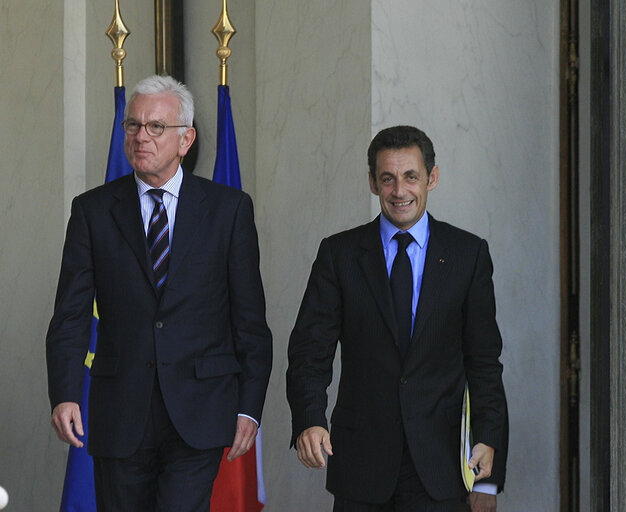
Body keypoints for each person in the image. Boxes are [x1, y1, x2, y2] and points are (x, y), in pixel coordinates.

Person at [46, 75, 272, 512]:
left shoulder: (229, 210)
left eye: (155, 127)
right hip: (119, 411)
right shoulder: (92, 210)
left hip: (201, 410)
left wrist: (250, 407)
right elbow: (71, 315)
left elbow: (249, 321)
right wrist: (65, 392)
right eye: (132, 125)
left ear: (186, 139)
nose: (140, 137)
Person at [286, 125, 508, 511]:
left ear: (432, 178)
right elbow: (310, 349)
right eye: (387, 178)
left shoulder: (467, 255)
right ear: (373, 182)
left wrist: (487, 474)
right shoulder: (339, 255)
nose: (399, 191)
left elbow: (484, 361)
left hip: (442, 468)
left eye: (411, 177)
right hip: (361, 466)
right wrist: (310, 418)